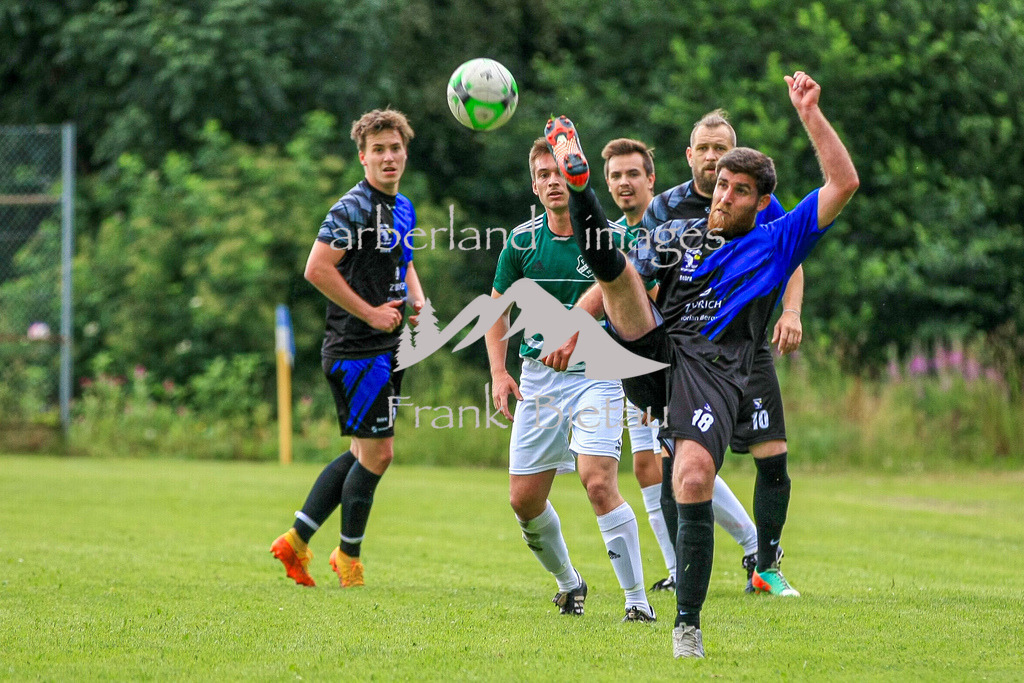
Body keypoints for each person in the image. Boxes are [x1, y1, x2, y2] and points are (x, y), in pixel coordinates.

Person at [543, 71, 858, 658]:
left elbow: (843, 182)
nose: (722, 195)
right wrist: (574, 324)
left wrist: (810, 114)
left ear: (761, 201)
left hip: (717, 367)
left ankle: (687, 623)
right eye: (720, 186)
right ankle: (579, 183)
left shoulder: (776, 241)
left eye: (738, 190)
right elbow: (616, 277)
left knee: (689, 477)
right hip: (657, 348)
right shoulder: (677, 233)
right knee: (620, 276)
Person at [484, 138, 655, 622]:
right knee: (523, 500)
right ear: (535, 185)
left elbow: (615, 289)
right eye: (543, 174)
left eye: (560, 172)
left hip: (597, 374)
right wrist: (499, 372)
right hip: (539, 381)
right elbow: (496, 310)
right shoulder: (520, 243)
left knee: (597, 481)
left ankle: (637, 602)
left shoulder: (607, 237)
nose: (552, 181)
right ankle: (570, 583)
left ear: (575, 178)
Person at [640, 110, 805, 592]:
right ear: (689, 154)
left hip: (746, 349)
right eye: (705, 148)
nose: (713, 157)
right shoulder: (667, 208)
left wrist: (790, 313)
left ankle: (767, 567)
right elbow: (637, 269)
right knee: (675, 463)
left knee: (772, 455)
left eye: (721, 147)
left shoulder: (754, 199)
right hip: (684, 354)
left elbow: (789, 258)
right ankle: (681, 572)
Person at [599, 138, 764, 593]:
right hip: (630, 351)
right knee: (649, 465)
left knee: (674, 460)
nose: (624, 183)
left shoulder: (673, 221)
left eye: (633, 174)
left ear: (651, 179)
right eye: (615, 176)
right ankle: (679, 567)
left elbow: (649, 287)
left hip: (670, 357)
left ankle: (749, 543)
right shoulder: (622, 231)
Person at [271, 108, 426, 589]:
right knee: (378, 455)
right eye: (378, 149)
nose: (388, 157)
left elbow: (403, 259)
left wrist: (415, 296)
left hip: (387, 345)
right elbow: (317, 268)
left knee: (365, 451)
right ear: (363, 156)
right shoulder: (352, 207)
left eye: (394, 148)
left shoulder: (402, 207)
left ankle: (296, 541)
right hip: (357, 349)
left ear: (404, 152)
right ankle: (348, 559)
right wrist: (371, 313)